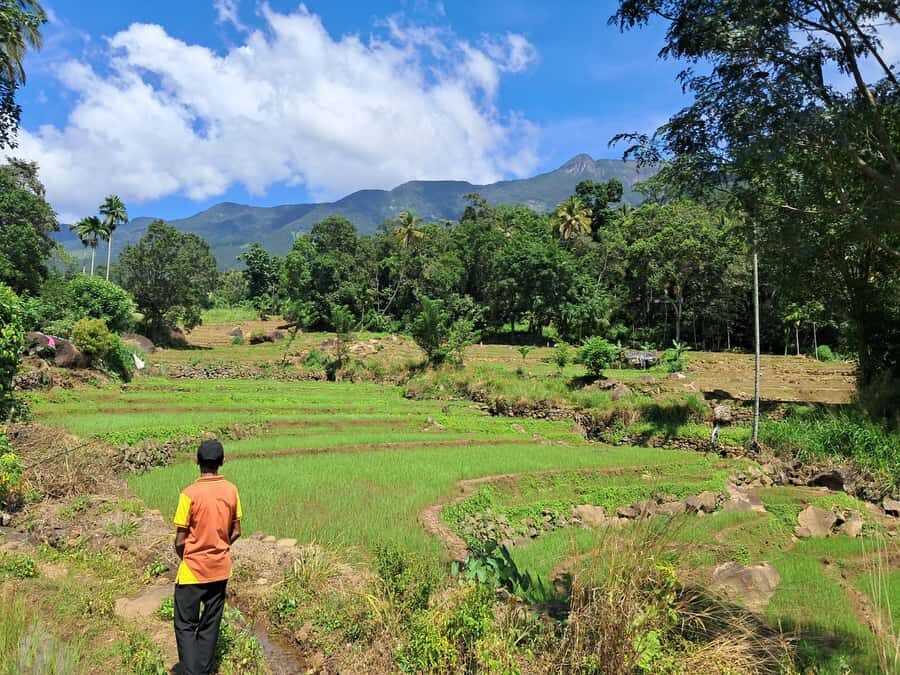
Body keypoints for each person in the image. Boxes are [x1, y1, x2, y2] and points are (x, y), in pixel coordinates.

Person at [172, 439, 242, 675]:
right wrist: (219, 547)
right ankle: (200, 670)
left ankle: (193, 672)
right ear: (222, 462)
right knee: (210, 625)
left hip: (193, 570)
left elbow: (180, 539)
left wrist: (188, 556)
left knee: (185, 624)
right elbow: (237, 531)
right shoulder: (231, 490)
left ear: (197, 461)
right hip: (220, 568)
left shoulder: (189, 494)